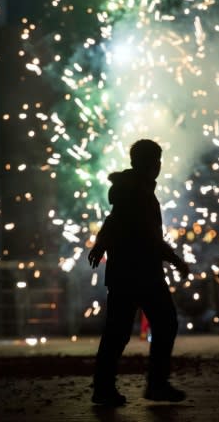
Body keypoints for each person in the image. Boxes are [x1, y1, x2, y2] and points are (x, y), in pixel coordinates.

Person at [87, 139, 190, 406]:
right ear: (147, 163)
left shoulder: (132, 189)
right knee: (164, 323)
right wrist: (175, 259)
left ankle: (105, 388)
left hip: (127, 272)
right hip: (141, 272)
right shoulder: (136, 192)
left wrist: (101, 245)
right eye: (155, 160)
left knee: (118, 331)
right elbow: (148, 236)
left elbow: (113, 222)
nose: (158, 166)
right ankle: (154, 385)